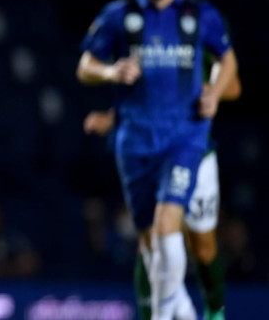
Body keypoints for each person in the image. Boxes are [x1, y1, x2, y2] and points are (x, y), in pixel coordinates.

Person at [76, 0, 237, 320]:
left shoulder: (200, 18)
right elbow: (86, 66)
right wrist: (111, 73)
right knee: (151, 244)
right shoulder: (119, 17)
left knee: (181, 235)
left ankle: (210, 312)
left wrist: (215, 92)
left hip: (188, 142)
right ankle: (180, 311)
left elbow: (230, 67)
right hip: (136, 143)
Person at [84, 60, 241, 320]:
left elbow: (233, 86)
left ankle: (214, 312)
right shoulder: (146, 41)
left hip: (196, 152)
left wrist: (208, 91)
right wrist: (115, 117)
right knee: (152, 241)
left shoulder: (203, 36)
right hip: (155, 154)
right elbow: (146, 94)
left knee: (202, 246)